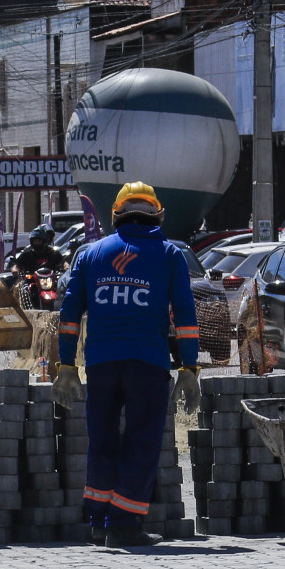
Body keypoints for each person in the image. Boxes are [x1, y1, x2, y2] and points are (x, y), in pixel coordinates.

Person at [54, 183, 201, 549]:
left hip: (101, 364)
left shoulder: (90, 254)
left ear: (116, 214)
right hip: (147, 363)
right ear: (158, 216)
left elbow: (69, 313)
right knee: (141, 442)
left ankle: (99, 521)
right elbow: (184, 315)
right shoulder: (169, 255)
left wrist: (67, 365)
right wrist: (189, 368)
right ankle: (122, 524)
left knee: (102, 440)